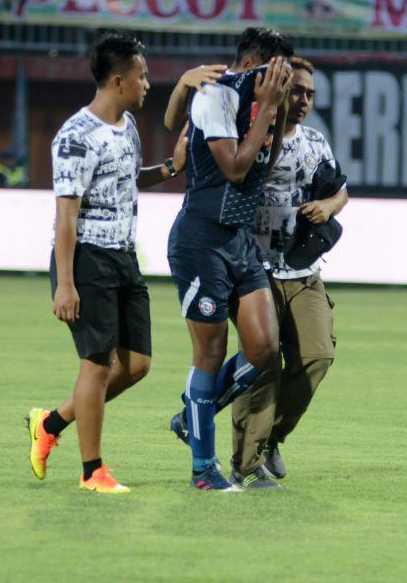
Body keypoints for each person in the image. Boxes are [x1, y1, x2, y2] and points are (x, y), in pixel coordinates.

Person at [25, 33, 190, 494]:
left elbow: (125, 182)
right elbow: (66, 213)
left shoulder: (127, 127)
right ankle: (92, 471)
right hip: (87, 259)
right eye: (142, 76)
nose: (148, 84)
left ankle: (51, 424)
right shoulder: (76, 137)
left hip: (123, 257)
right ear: (119, 80)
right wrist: (65, 283)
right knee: (96, 365)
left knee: (136, 365)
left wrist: (171, 169)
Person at [165, 27, 294, 492]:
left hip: (239, 241)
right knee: (211, 352)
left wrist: (272, 109)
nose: (283, 80)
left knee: (263, 348)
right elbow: (236, 167)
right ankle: (204, 468)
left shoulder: (258, 102)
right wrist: (265, 108)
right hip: (200, 239)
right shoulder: (214, 97)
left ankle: (191, 416)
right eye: (278, 70)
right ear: (256, 63)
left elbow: (267, 155)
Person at [230, 56, 347, 489]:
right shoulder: (253, 136)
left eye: (310, 94)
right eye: (296, 90)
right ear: (279, 89)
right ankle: (245, 465)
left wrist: (328, 206)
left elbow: (340, 191)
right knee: (262, 364)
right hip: (252, 267)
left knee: (318, 354)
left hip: (302, 268)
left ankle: (271, 437)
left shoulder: (316, 142)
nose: (303, 100)